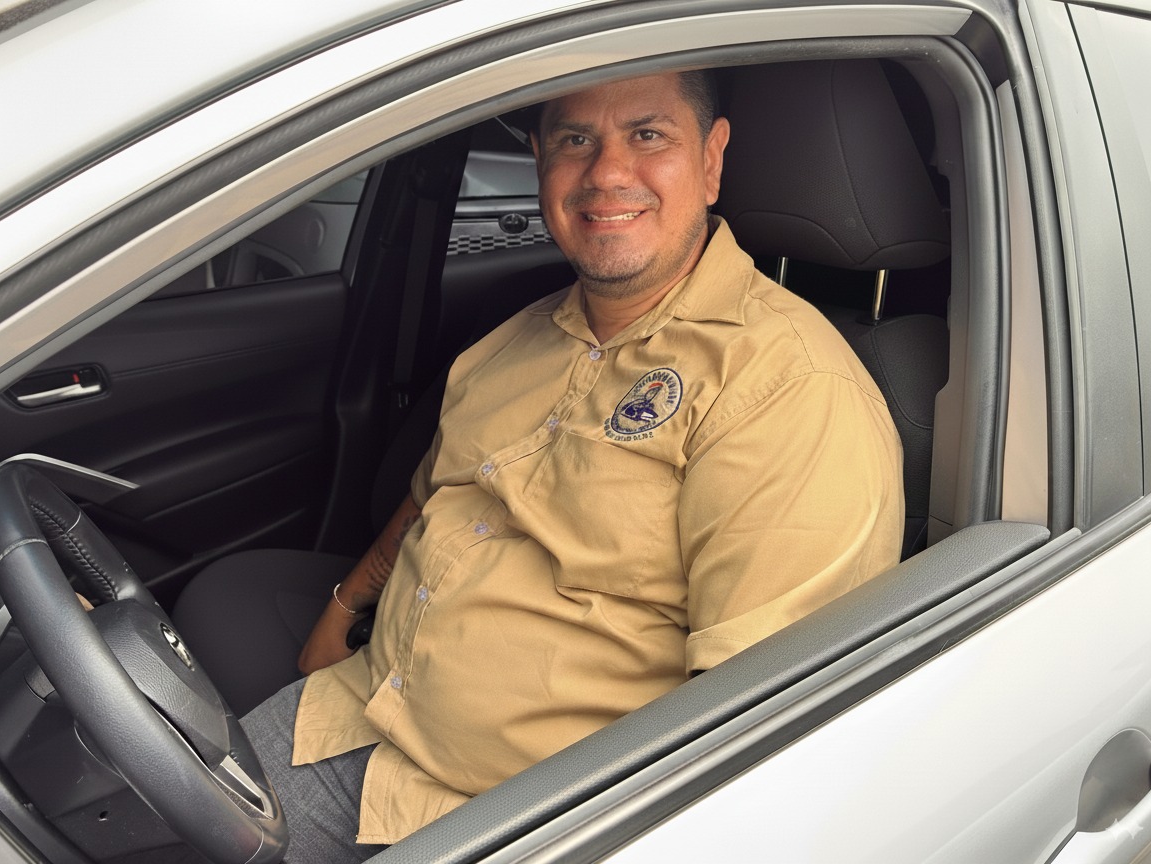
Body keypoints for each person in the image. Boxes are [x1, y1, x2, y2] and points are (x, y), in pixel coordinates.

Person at [237, 69, 905, 862]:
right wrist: (344, 606)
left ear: (713, 159)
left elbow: (750, 729)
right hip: (358, 714)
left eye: (648, 135)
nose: (607, 172)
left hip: (521, 825)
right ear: (539, 163)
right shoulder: (513, 339)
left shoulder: (786, 389)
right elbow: (430, 500)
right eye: (574, 140)